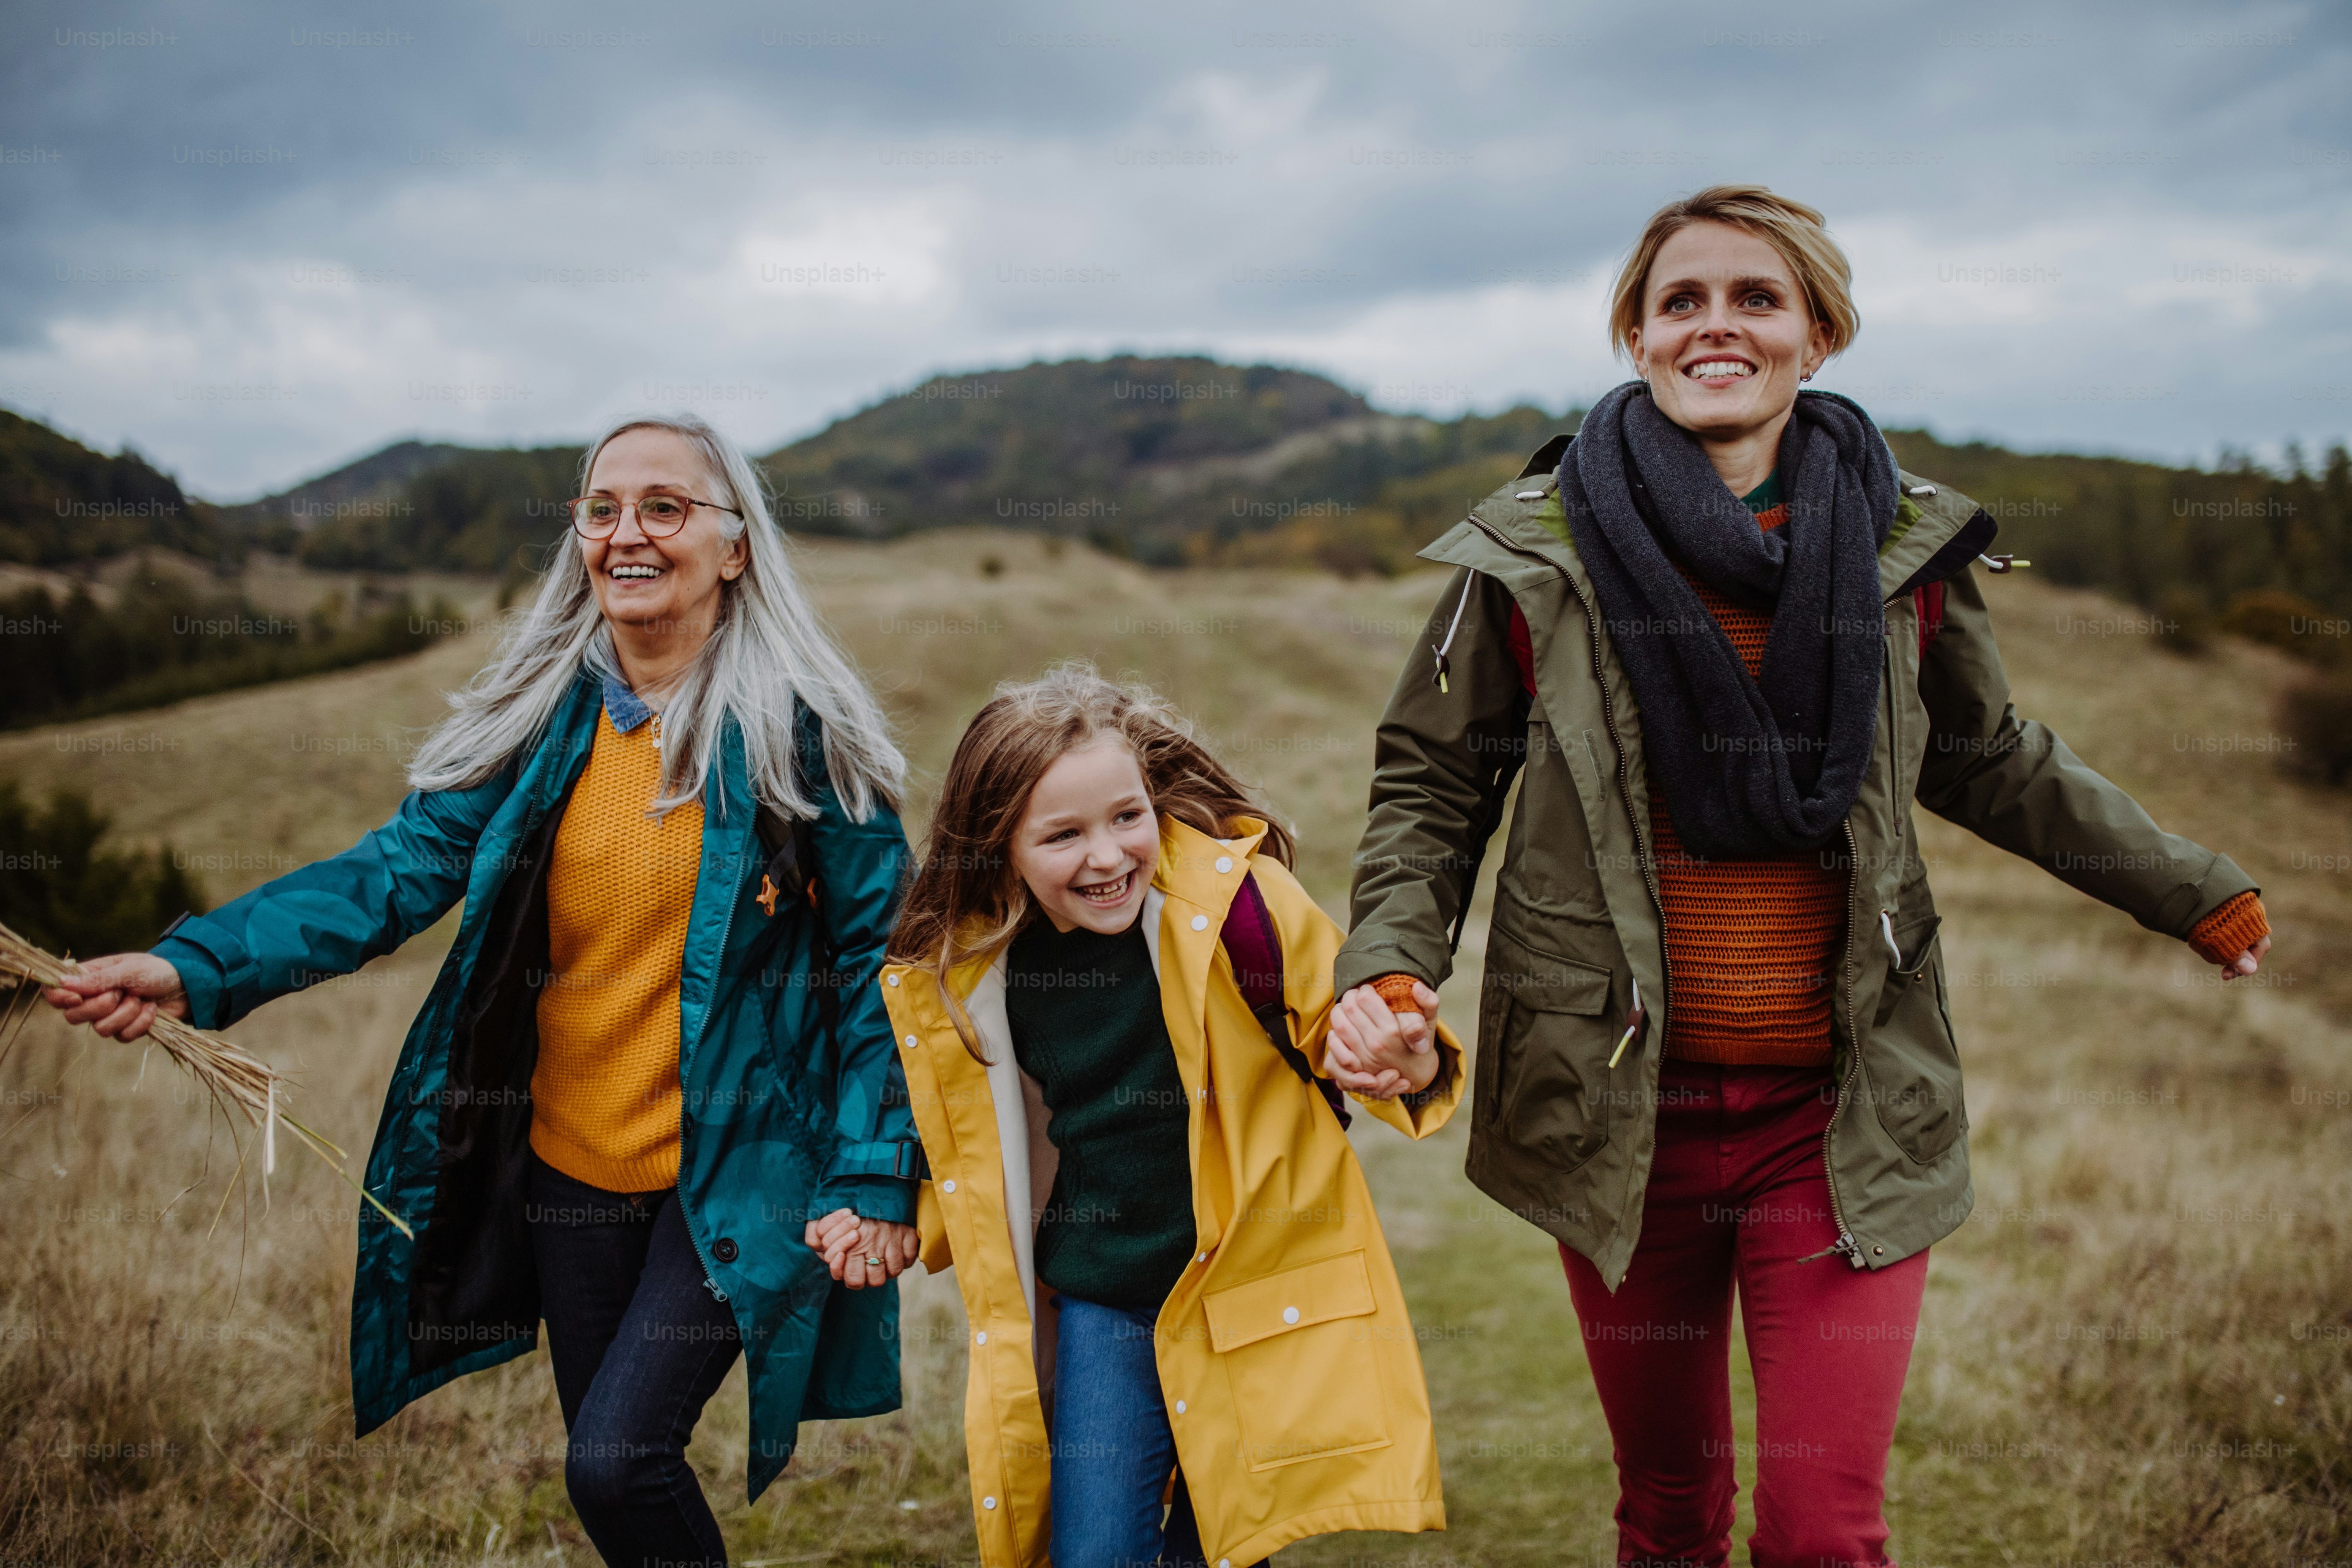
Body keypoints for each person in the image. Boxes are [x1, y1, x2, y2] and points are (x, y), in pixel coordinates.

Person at [1332, 185, 2272, 1568]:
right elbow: (1432, 777)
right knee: (1666, 1514)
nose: (1715, 324)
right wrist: (1386, 966)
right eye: (1680, 300)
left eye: (1753, 298)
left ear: (1815, 335)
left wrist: (2184, 887)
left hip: (1838, 1119)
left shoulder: (1906, 548)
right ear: (1636, 337)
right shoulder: (1530, 552)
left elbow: (1984, 755)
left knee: (1821, 1533)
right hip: (1615, 1114)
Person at [43, 413, 926, 1568]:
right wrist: (194, 965)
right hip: (570, 1173)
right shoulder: (544, 724)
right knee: (616, 1484)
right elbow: (396, 872)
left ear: (735, 547)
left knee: (615, 1462)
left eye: (665, 507)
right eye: (600, 509)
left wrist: (873, 1167)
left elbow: (881, 966)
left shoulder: (799, 738)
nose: (626, 533)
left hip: (738, 1174)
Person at [881, 665, 1460, 1568]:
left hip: (1252, 1294)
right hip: (1105, 1297)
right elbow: (969, 1138)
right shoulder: (976, 972)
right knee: (1095, 1550)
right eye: (1064, 835)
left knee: (1226, 1545)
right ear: (1000, 845)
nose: (1108, 856)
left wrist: (1405, 1053)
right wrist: (887, 1211)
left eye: (1126, 817)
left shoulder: (1238, 908)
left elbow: (1356, 1034)